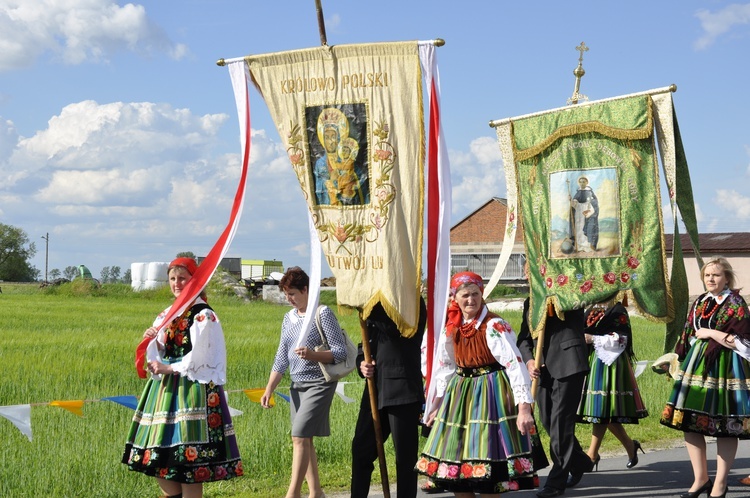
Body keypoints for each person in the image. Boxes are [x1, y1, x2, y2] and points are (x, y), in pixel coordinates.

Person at [122, 257, 243, 498]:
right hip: (166, 393)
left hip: (193, 391)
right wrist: (153, 340)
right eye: (173, 278)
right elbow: (160, 352)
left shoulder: (203, 315)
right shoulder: (168, 313)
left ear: (194, 280)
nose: (177, 283)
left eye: (183, 278)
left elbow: (200, 356)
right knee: (160, 460)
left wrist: (168, 368)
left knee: (189, 463)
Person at [416, 272, 539, 496]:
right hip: (460, 396)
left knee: (488, 474)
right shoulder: (451, 327)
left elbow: (515, 365)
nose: (471, 300)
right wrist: (434, 407)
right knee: (456, 475)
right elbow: (445, 369)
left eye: (475, 294)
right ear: (455, 298)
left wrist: (524, 408)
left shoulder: (494, 325)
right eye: (465, 295)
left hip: (491, 395)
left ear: (482, 295)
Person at [661, 257, 750, 498]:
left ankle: (720, 484)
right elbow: (688, 333)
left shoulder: (735, 302)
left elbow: (743, 341)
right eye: (707, 275)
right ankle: (700, 479)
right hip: (697, 366)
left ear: (727, 278)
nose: (711, 279)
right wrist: (676, 360)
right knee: (690, 422)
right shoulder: (701, 301)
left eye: (716, 275)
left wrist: (711, 332)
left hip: (726, 367)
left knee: (726, 426)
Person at [260, 266, 348, 498]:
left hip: (320, 384)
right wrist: (270, 389)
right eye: (286, 294)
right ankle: (316, 492)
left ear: (306, 290)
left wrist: (314, 355)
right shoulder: (288, 318)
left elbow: (340, 352)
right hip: (296, 386)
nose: (288, 299)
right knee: (305, 439)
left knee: (299, 436)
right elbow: (282, 356)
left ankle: (293, 493)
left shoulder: (323, 313)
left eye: (292, 294)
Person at [517, 295, 593, 498]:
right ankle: (580, 462)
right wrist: (530, 360)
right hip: (542, 372)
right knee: (548, 420)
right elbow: (523, 338)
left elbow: (581, 300)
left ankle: (557, 481)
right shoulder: (530, 302)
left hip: (569, 364)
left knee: (561, 424)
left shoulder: (568, 296)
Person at [350, 299, 426, 498]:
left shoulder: (412, 302)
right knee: (361, 450)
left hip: (403, 390)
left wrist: (365, 305)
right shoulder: (374, 307)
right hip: (375, 391)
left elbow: (395, 330)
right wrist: (362, 363)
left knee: (405, 459)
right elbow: (365, 343)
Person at [576, 301, 648, 472]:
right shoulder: (591, 308)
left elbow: (623, 338)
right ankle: (630, 446)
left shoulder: (617, 309)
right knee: (603, 410)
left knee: (602, 410)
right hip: (593, 361)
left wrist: (593, 338)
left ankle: (592, 455)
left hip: (610, 363)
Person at [570, 176, 599, 252]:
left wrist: (589, 211)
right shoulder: (578, 192)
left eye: (584, 182)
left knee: (585, 227)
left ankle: (586, 246)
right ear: (579, 183)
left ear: (586, 182)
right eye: (581, 182)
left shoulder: (590, 192)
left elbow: (594, 204)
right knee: (578, 228)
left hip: (586, 211)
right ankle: (579, 245)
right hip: (578, 211)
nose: (582, 183)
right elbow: (574, 205)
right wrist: (571, 201)